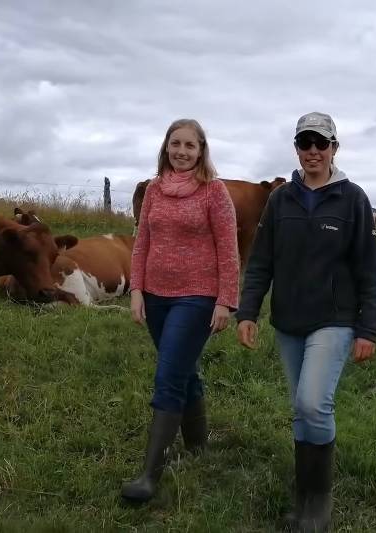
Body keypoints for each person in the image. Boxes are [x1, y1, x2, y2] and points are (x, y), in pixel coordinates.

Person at [236, 112, 376, 531]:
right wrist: (249, 311)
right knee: (301, 410)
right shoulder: (281, 200)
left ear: (335, 148)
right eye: (305, 143)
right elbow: (261, 260)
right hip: (288, 319)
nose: (313, 151)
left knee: (313, 403)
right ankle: (304, 498)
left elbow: (370, 271)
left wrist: (367, 328)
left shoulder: (352, 198)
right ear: (296, 149)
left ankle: (319, 504)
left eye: (321, 143)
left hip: (334, 319)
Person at [121, 119, 239, 502]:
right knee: (182, 370)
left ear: (202, 150)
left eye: (190, 145)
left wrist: (225, 300)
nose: (182, 151)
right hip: (155, 296)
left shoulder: (214, 192)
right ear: (166, 147)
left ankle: (149, 476)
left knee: (168, 375)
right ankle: (199, 447)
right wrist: (136, 290)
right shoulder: (154, 189)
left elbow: (228, 249)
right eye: (176, 144)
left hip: (197, 297)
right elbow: (142, 243)